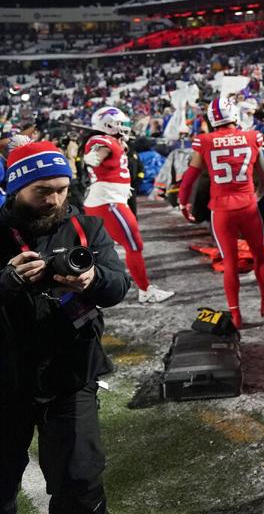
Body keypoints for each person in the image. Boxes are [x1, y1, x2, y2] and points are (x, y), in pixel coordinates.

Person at [1, 141, 130, 514]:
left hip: (71, 375)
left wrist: (92, 279)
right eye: (42, 191)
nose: (55, 200)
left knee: (81, 485)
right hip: (5, 379)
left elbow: (118, 286)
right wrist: (8, 281)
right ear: (15, 188)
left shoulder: (86, 226)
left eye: (61, 189)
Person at [178, 97, 264, 329]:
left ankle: (236, 315)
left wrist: (183, 203)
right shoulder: (251, 137)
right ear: (234, 114)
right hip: (247, 206)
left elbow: (189, 179)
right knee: (260, 256)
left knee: (230, 262)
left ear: (212, 119)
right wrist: (255, 196)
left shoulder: (204, 141)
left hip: (221, 209)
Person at [81, 107, 174, 303]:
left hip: (108, 200)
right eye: (121, 124)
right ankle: (145, 290)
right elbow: (96, 154)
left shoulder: (114, 141)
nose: (125, 128)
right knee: (133, 245)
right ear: (108, 124)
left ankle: (93, 290)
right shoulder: (103, 141)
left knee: (102, 249)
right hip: (108, 202)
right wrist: (92, 158)